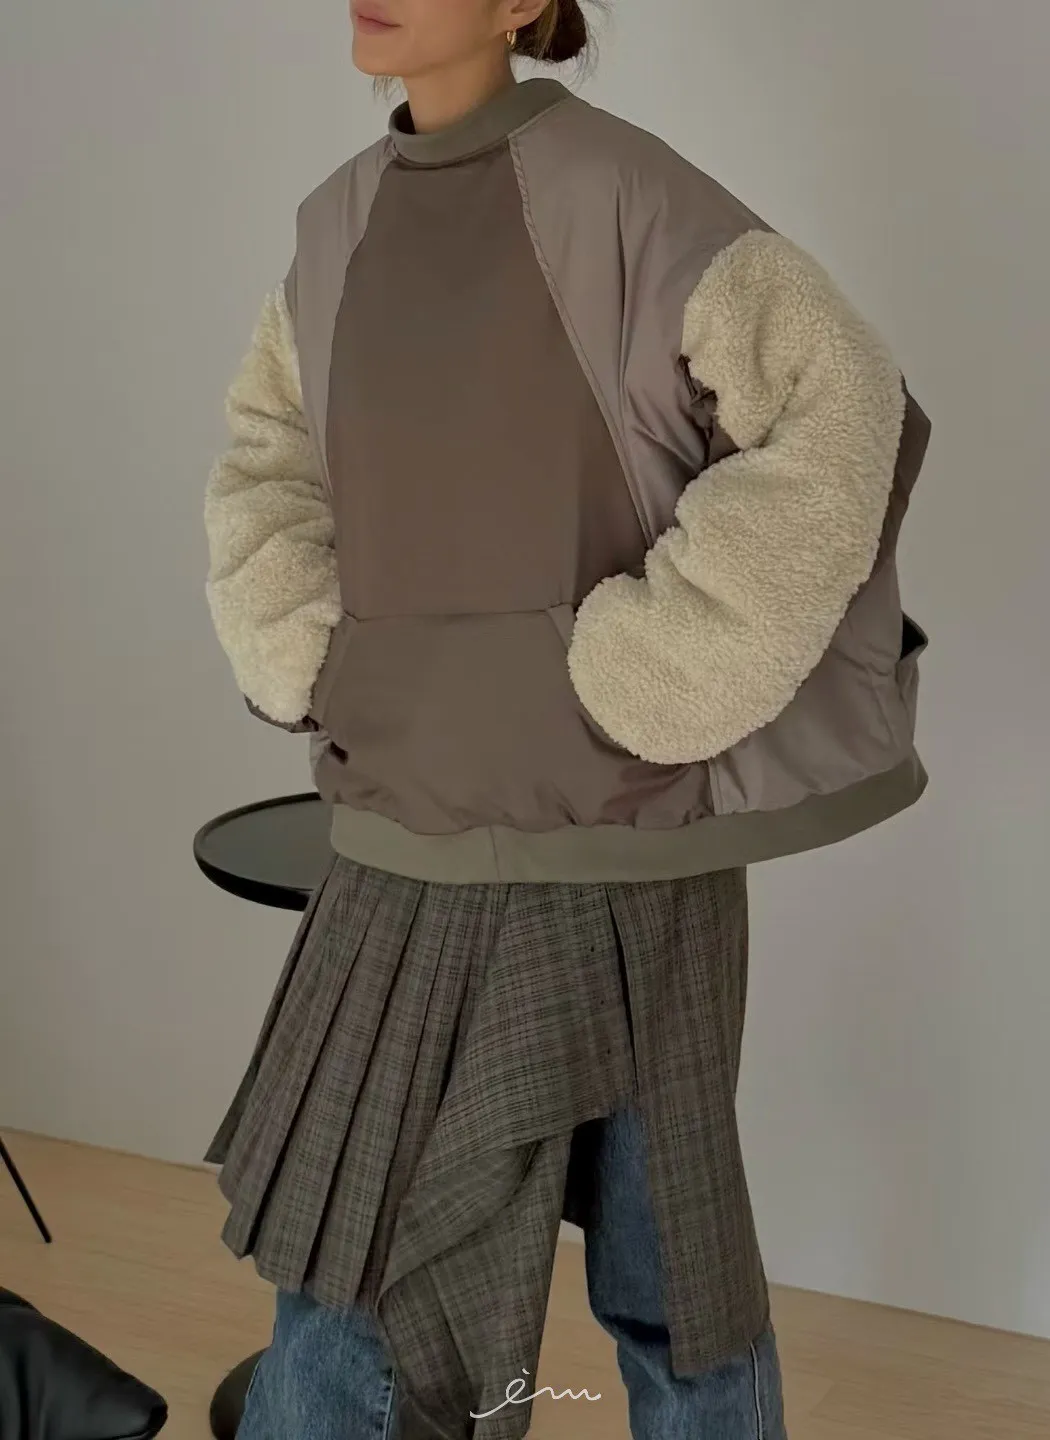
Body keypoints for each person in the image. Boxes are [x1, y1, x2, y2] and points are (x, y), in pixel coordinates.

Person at [203, 1, 932, 1436]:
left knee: (675, 1296)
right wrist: (306, 650)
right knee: (353, 1297)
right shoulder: (334, 223)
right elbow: (268, 457)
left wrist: (652, 672)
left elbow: (842, 402)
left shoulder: (626, 192)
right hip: (404, 824)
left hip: (622, 847)